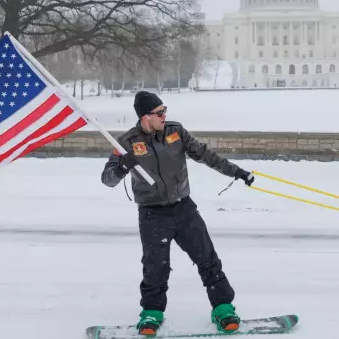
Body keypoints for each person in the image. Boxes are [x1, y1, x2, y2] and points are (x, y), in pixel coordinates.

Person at [101, 90, 255, 336]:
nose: (164, 116)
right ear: (145, 117)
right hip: (152, 214)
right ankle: (152, 312)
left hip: (183, 208)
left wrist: (237, 172)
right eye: (159, 113)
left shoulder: (176, 131)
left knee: (207, 258)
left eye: (165, 111)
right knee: (155, 267)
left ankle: (223, 308)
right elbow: (107, 179)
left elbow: (207, 156)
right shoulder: (126, 143)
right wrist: (121, 166)